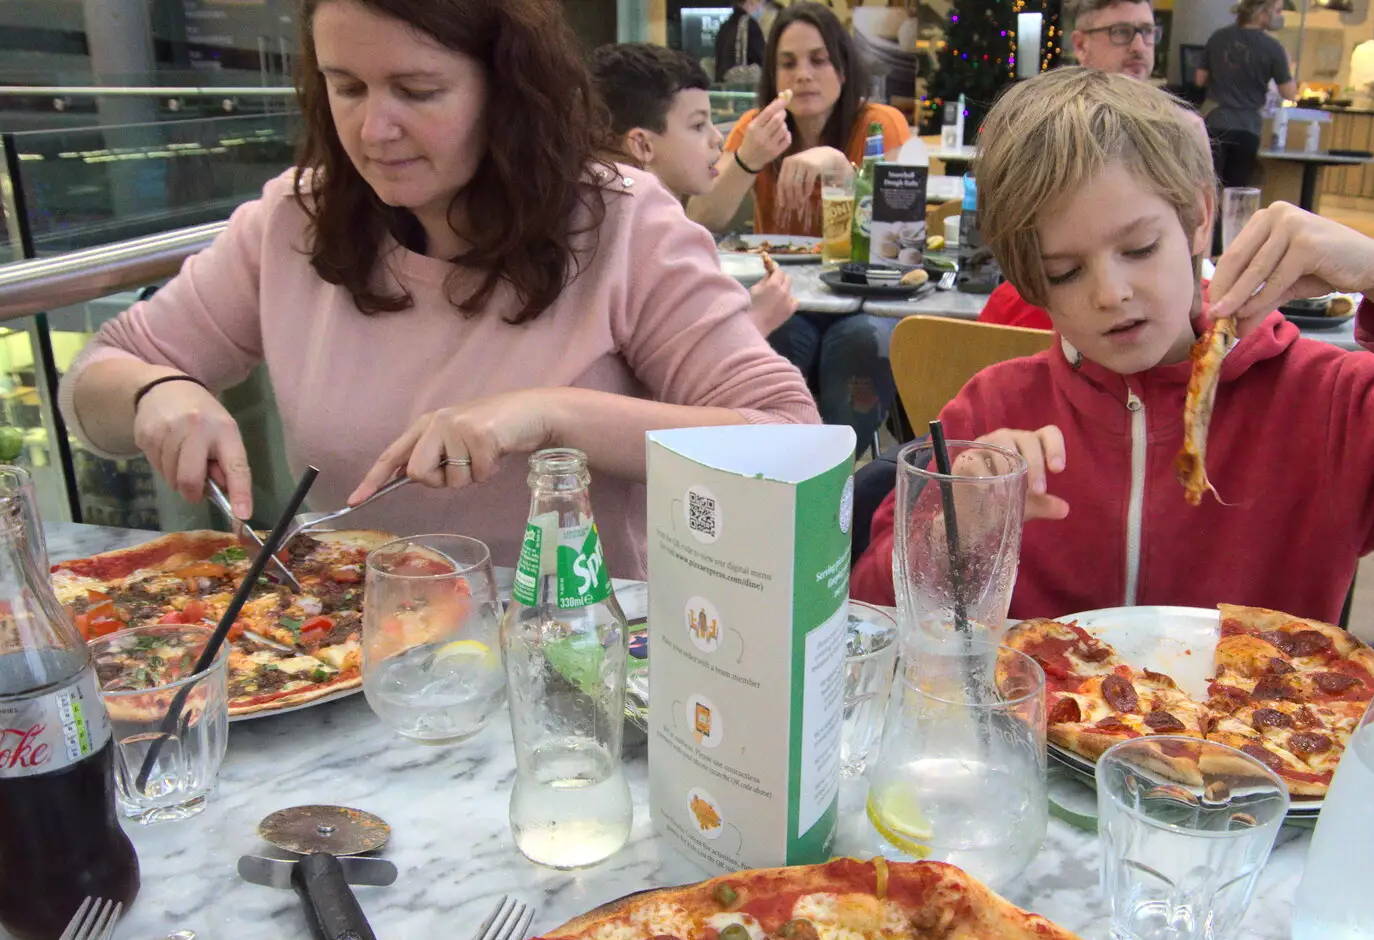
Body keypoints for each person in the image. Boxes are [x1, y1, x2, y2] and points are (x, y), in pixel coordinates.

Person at [59, 0, 818, 579]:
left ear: (507, 90)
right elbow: (100, 375)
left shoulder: (622, 222)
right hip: (340, 646)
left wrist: (549, 413)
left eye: (417, 91)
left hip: (572, 664)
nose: (373, 130)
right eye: (346, 87)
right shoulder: (294, 218)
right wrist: (155, 393)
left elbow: (793, 441)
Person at [851, 69, 1374, 624]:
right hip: (1043, 763)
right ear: (1027, 283)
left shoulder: (1330, 403)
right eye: (1064, 272)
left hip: (1256, 775)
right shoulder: (995, 406)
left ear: (1200, 218)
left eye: (1139, 247)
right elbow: (875, 607)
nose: (1111, 293)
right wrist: (961, 525)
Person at [689, 2, 913, 457]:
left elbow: (900, 237)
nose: (803, 75)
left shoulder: (879, 124)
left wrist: (839, 168)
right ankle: (779, 468)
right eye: (787, 63)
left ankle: (836, 477)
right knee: (778, 336)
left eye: (818, 59)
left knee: (859, 343)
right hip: (789, 293)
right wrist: (748, 159)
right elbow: (701, 218)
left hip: (864, 299)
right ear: (772, 77)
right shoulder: (756, 129)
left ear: (843, 70)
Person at [979, 0, 1206, 332]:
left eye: (1147, 32)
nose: (1138, 45)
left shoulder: (1186, 131)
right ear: (1081, 44)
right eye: (1120, 32)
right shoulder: (1033, 137)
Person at [590, 42, 796, 337]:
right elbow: (668, 366)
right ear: (642, 145)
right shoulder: (662, 238)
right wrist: (757, 320)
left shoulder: (589, 214)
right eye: (698, 125)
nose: (717, 139)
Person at [1197, 0, 1295, 191]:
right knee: (1236, 190)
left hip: (1215, 122)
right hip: (1247, 128)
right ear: (1262, 13)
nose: (1279, 16)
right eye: (1277, 11)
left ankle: (1210, 221)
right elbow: (1289, 92)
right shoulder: (1273, 47)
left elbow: (1200, 78)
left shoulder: (1218, 37)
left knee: (1209, 187)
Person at [715, 0, 769, 85]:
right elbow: (765, 63)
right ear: (752, 1)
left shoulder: (725, 26)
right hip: (744, 90)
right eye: (761, 3)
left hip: (723, 91)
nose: (761, 8)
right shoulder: (749, 25)